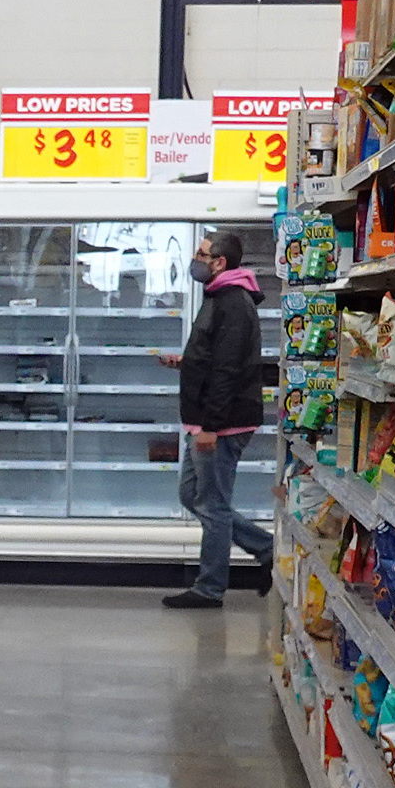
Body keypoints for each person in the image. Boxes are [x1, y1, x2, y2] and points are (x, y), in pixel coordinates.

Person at [160, 227, 276, 609]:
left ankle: (209, 588)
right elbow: (215, 359)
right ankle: (266, 548)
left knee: (211, 505)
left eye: (201, 254)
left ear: (219, 262)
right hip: (207, 420)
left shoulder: (233, 302)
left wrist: (210, 427)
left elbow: (228, 369)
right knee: (192, 496)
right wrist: (188, 363)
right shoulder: (218, 296)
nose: (196, 260)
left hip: (221, 425)